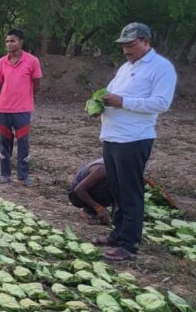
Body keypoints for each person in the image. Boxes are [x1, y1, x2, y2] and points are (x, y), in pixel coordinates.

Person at [93, 22, 177, 261]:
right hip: (112, 136)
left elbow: (162, 103)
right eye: (124, 46)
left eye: (131, 45)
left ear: (146, 42)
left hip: (134, 138)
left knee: (131, 192)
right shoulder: (125, 68)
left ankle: (129, 245)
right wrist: (99, 104)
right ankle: (118, 233)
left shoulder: (161, 68)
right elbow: (109, 93)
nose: (127, 51)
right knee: (116, 189)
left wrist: (123, 102)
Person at [0, 29, 42, 186]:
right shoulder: (1, 63)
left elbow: (37, 85)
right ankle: (5, 174)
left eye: (12, 41)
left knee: (23, 143)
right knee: (4, 143)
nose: (9, 44)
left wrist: (25, 97)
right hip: (3, 110)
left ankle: (23, 176)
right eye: (7, 41)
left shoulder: (32, 61)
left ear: (21, 42)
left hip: (22, 111)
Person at [67, 158, 113, 225]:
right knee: (112, 188)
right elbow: (79, 190)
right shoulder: (102, 169)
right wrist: (99, 209)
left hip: (87, 190)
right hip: (76, 195)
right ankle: (90, 211)